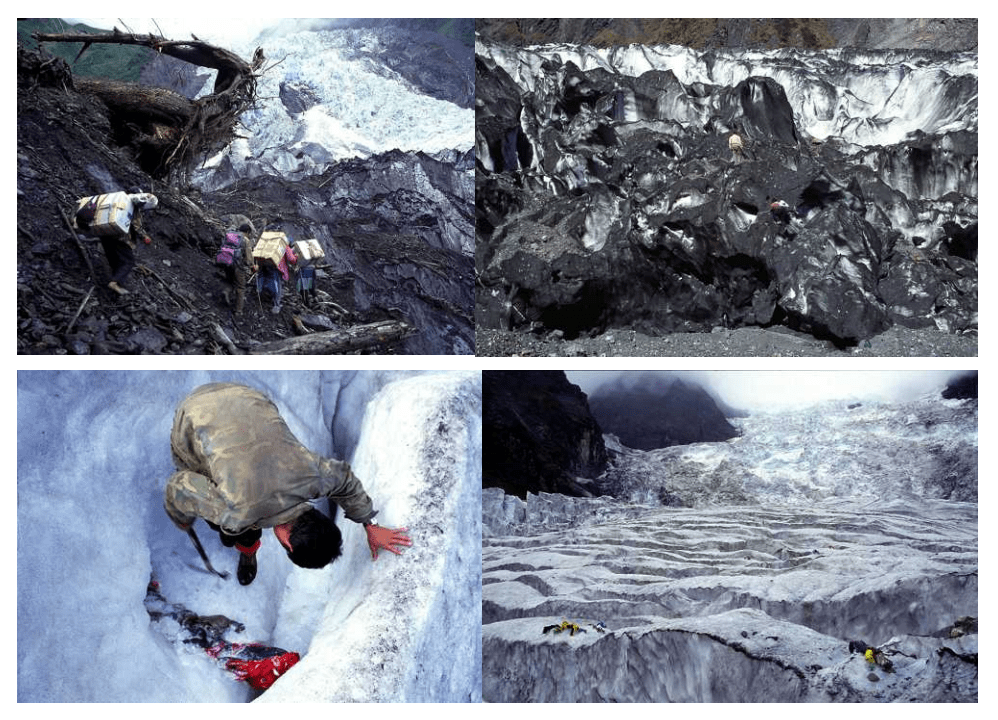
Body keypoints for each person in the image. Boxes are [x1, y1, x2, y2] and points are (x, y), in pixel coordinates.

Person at [163, 382, 411, 585]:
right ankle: (242, 543)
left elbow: (344, 479)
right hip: (195, 411)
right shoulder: (235, 512)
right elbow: (179, 485)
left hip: (248, 396)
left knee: (236, 518)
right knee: (228, 521)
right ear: (287, 544)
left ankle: (246, 549)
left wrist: (370, 523)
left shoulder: (314, 478)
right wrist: (181, 517)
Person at [76, 188, 157, 295]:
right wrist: (145, 236)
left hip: (104, 232)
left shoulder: (115, 199)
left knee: (113, 258)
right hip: (119, 237)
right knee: (128, 261)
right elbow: (137, 227)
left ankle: (114, 280)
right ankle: (114, 283)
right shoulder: (131, 206)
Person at [217, 220, 257, 315]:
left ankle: (226, 291)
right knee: (240, 288)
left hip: (227, 263)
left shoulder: (231, 236)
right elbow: (248, 258)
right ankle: (238, 311)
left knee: (230, 281)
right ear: (247, 232)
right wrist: (252, 266)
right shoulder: (245, 240)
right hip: (239, 267)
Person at [256, 231, 298, 314]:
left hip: (264, 264)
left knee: (264, 279)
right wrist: (297, 256)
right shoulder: (285, 246)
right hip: (276, 267)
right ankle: (276, 305)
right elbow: (291, 259)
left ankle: (260, 295)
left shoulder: (268, 244)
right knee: (278, 286)